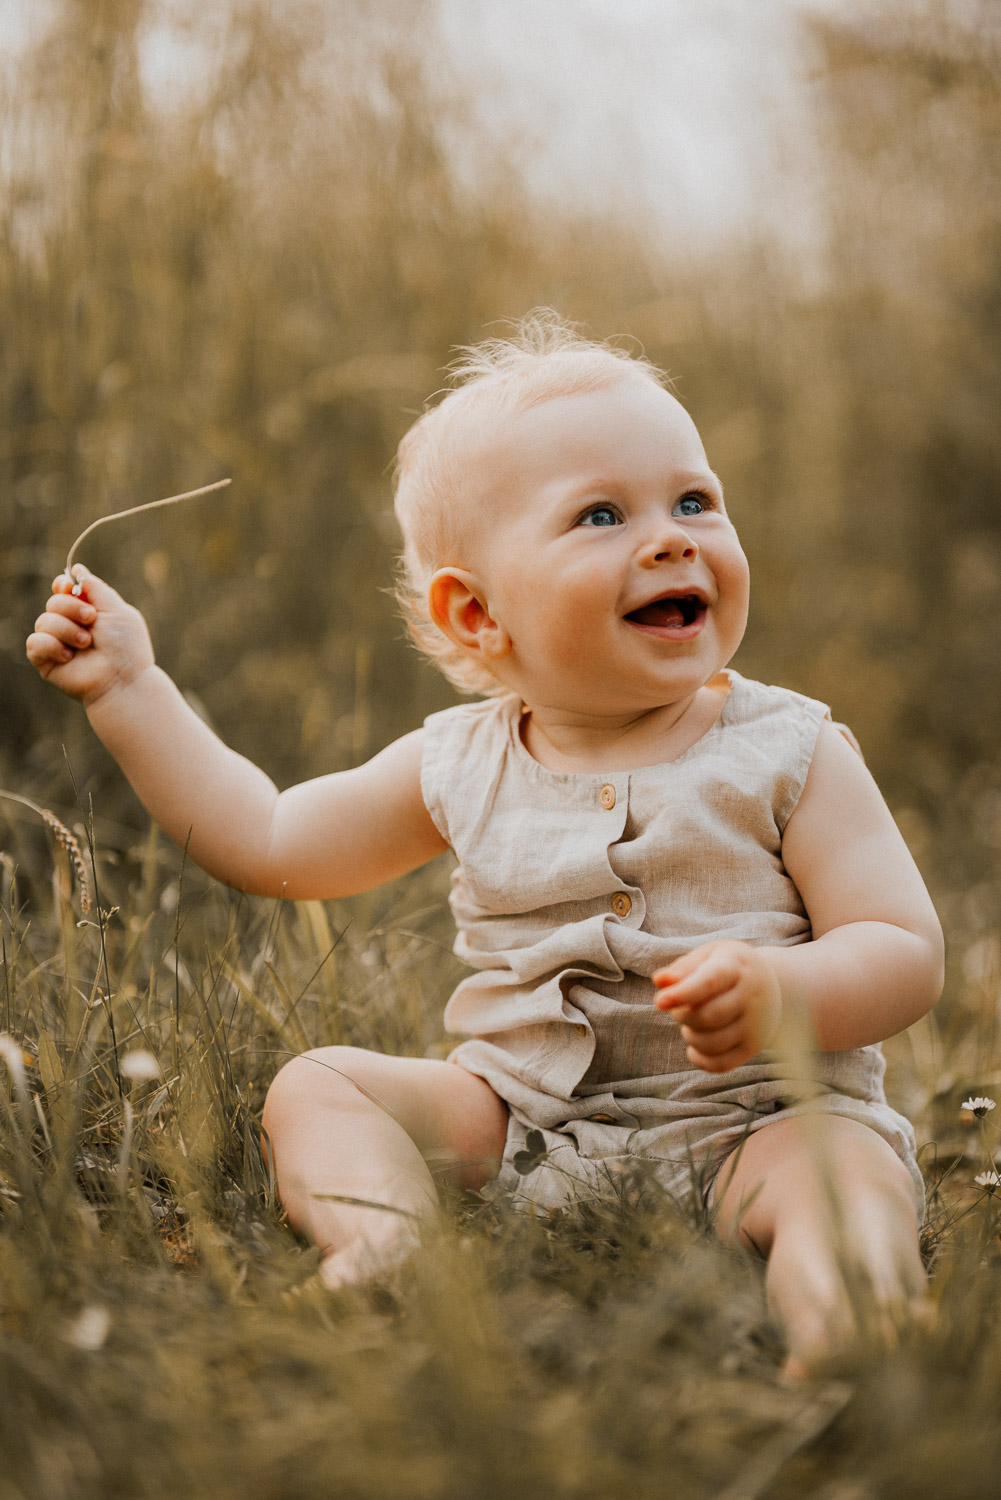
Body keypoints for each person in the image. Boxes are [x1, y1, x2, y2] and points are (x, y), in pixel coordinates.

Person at [27, 314, 943, 1374]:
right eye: (600, 515)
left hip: (761, 1125)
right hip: (522, 1126)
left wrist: (785, 996)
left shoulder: (789, 750)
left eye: (694, 500)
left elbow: (900, 947)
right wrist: (134, 692)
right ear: (475, 614)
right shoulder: (459, 765)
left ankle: (849, 1319)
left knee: (842, 1173)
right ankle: (384, 1247)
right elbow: (268, 838)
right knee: (321, 1084)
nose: (671, 536)